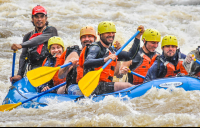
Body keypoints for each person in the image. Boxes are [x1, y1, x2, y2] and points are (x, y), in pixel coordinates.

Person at [80, 21, 145, 95]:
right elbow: (87, 63)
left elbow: (130, 55)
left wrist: (138, 36)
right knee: (128, 86)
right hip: (93, 86)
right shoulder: (95, 47)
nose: (111, 35)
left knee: (127, 86)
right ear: (100, 34)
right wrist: (106, 59)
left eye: (113, 32)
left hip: (105, 85)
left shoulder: (112, 50)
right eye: (107, 33)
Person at [10, 5, 58, 82]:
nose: (39, 19)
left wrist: (21, 45)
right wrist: (20, 74)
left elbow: (39, 39)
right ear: (32, 19)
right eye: (36, 17)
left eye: (42, 17)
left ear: (46, 18)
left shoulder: (51, 31)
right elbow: (23, 56)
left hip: (50, 69)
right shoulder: (27, 36)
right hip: (34, 71)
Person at [56, 26, 97, 94]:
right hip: (74, 86)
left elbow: (117, 74)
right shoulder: (75, 53)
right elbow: (61, 75)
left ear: (95, 38)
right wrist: (69, 65)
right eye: (84, 37)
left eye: (90, 36)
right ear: (80, 39)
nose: (87, 39)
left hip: (92, 85)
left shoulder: (99, 52)